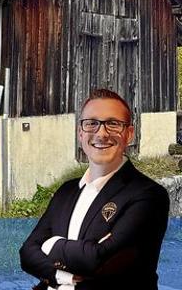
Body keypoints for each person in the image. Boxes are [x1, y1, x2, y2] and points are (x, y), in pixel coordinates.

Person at [19, 88, 170, 290]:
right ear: (80, 133)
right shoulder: (66, 191)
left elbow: (97, 259)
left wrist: (50, 244)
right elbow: (27, 252)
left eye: (113, 124)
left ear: (129, 134)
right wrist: (61, 275)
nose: (101, 133)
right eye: (91, 123)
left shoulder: (149, 195)